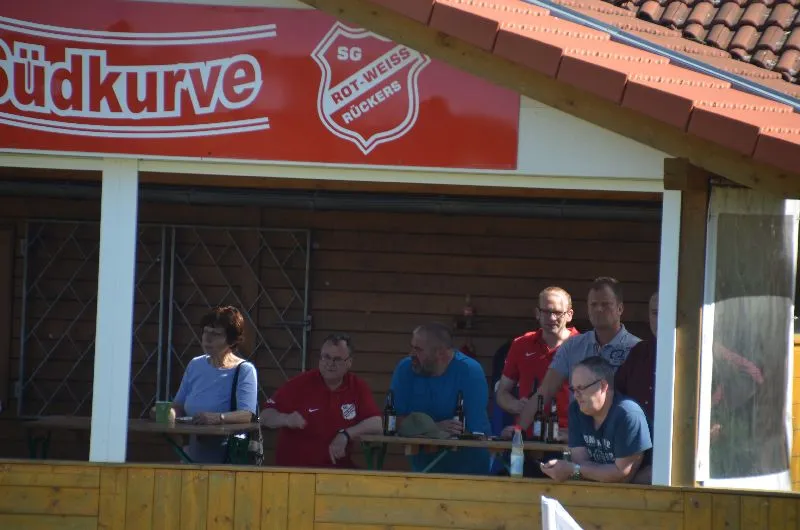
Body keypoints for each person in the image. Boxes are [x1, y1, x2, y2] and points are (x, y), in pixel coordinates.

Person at [520, 277, 640, 432]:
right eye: (593, 305)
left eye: (605, 304)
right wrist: (518, 429)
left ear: (620, 308)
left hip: (620, 437)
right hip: (578, 438)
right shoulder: (572, 346)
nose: (599, 309)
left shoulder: (636, 349)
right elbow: (545, 391)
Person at [261, 334, 382, 468]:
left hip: (337, 471)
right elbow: (265, 416)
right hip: (296, 471)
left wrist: (346, 435)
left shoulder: (357, 386)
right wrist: (286, 419)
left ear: (349, 362)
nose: (330, 364)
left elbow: (377, 424)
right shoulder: (299, 384)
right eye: (326, 357)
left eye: (337, 359)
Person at [390, 322, 491, 475]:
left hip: (468, 471)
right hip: (423, 471)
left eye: (418, 349)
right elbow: (393, 421)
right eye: (412, 347)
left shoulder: (469, 371)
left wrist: (419, 427)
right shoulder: (405, 369)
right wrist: (434, 428)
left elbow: (471, 433)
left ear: (441, 353)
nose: (411, 354)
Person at [166, 305, 258, 463]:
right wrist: (166, 414)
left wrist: (218, 418)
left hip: (226, 458)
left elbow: (247, 414)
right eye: (206, 332)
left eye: (216, 334)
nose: (207, 339)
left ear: (231, 340)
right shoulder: (195, 365)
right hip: (190, 456)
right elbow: (178, 405)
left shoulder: (244, 370)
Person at [540, 356, 651, 483]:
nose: (575, 395)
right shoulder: (576, 409)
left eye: (581, 388)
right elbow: (580, 463)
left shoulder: (628, 414)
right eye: (573, 389)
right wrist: (576, 470)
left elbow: (622, 474)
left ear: (603, 386)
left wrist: (574, 470)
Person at [496, 286, 578, 436]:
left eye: (557, 312)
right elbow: (502, 393)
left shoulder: (584, 346)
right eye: (546, 311)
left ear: (569, 315)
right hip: (527, 435)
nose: (551, 318)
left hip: (568, 437)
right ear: (537, 313)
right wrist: (516, 405)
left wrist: (577, 434)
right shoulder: (521, 344)